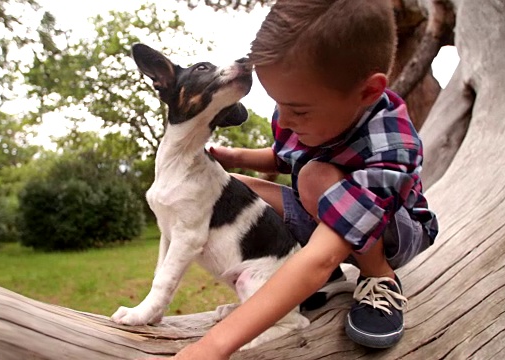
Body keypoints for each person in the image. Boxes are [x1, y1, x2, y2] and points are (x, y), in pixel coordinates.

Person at [147, 0, 438, 358]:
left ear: (367, 92)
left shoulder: (392, 143)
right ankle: (312, 277)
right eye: (277, 104)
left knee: (315, 176)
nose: (283, 122)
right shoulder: (303, 107)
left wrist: (214, 345)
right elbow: (285, 157)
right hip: (322, 208)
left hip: (395, 230)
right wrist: (235, 157)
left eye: (296, 110)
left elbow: (321, 257)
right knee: (230, 186)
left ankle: (379, 279)